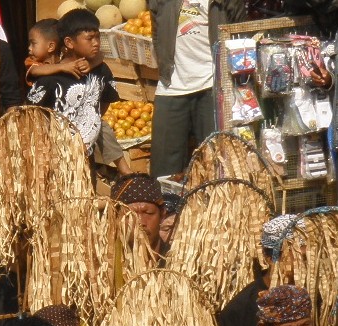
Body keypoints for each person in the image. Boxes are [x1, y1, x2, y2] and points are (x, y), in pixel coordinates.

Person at [148, 0, 245, 177]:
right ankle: (168, 204)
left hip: (212, 84)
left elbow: (239, 28)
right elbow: (156, 29)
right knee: (164, 167)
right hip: (172, 85)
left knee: (215, 163)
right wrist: (164, 65)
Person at [26, 18, 130, 176]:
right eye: (89, 38)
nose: (96, 43)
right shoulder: (46, 75)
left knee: (101, 126)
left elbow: (104, 102)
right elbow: (30, 115)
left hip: (85, 157)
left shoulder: (100, 71)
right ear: (68, 42)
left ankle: (124, 169)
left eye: (97, 37)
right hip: (55, 159)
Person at [219, 214, 302, 326]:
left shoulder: (319, 302)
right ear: (269, 257)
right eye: (297, 257)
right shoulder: (239, 311)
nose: (305, 265)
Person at [112, 173, 169, 262]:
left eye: (148, 213)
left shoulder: (177, 261)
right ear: (116, 218)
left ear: (162, 215)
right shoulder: (106, 266)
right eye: (130, 215)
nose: (141, 222)